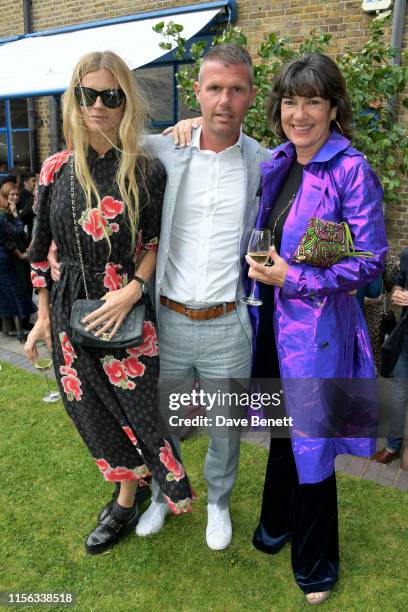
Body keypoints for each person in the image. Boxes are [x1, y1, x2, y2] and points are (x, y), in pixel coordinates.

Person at [24, 50, 193, 555]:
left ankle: (142, 493)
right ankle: (126, 493)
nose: (97, 105)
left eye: (110, 96)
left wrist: (133, 289)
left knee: (142, 413)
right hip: (69, 312)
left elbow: (153, 245)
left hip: (126, 309)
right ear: (73, 99)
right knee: (91, 411)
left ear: (125, 104)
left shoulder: (145, 171)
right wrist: (42, 319)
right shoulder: (53, 171)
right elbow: (37, 252)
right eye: (87, 94)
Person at [245, 54, 387, 604]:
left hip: (316, 333)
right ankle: (275, 525)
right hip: (270, 324)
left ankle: (317, 562)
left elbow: (370, 260)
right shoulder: (279, 162)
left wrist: (293, 276)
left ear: (332, 108)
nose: (298, 114)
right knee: (283, 430)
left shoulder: (351, 169)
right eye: (289, 101)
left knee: (312, 442)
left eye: (312, 102)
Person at [136, 44, 270, 550]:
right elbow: (108, 146)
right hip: (167, 317)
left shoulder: (264, 162)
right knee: (163, 418)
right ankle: (160, 495)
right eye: (214, 88)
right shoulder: (166, 148)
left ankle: (217, 502)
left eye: (237, 89)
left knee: (224, 428)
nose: (224, 100)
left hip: (227, 320)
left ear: (251, 96)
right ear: (197, 92)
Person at [373, 246, 408, 464]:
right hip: (406, 337)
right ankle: (393, 445)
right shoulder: (407, 254)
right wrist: (397, 291)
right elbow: (400, 279)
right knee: (399, 390)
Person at [0, 182, 35, 340]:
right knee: (17, 291)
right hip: (10, 258)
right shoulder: (3, 214)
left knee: (23, 287)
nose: (14, 197)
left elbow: (23, 234)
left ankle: (23, 324)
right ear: (4, 196)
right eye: (11, 195)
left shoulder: (10, 211)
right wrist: (19, 254)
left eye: (16, 194)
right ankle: (18, 328)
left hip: (18, 256)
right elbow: (12, 237)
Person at [17, 173, 37, 240]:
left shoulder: (29, 195)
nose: (36, 183)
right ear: (26, 183)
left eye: (36, 181)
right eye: (33, 181)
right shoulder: (24, 196)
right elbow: (25, 214)